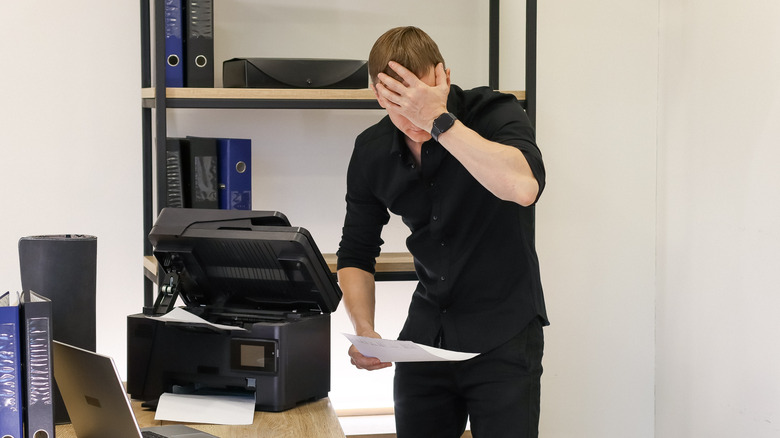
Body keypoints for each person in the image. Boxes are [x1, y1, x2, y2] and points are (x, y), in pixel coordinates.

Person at [336, 26, 548, 438]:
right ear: (380, 97)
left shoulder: (495, 112)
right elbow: (356, 252)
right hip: (425, 337)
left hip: (504, 332)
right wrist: (365, 331)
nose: (414, 120)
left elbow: (524, 188)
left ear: (443, 77)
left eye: (422, 100)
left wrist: (439, 120)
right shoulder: (371, 149)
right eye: (400, 106)